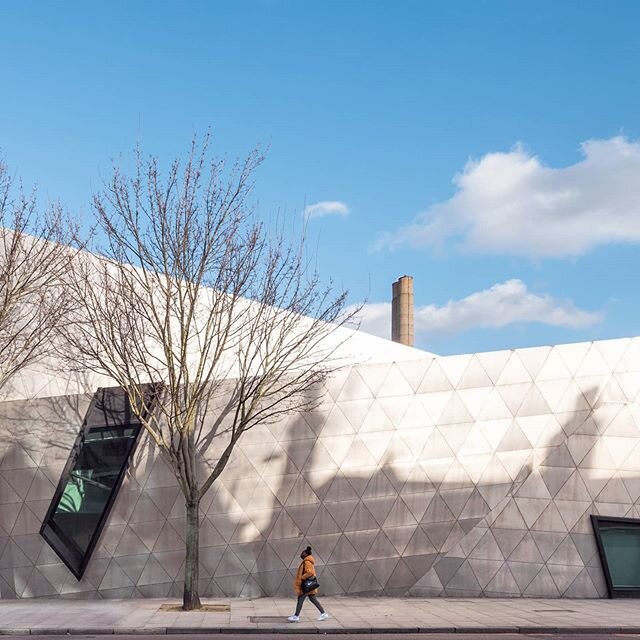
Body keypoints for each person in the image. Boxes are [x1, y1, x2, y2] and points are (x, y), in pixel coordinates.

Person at [288, 546, 328, 622]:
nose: (301, 554)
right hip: (308, 585)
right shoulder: (307, 561)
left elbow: (310, 572)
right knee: (312, 598)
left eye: (303, 553)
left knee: (300, 598)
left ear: (306, 554)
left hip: (306, 585)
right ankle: (323, 613)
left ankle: (296, 616)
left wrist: (302, 577)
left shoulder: (307, 562)